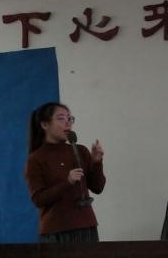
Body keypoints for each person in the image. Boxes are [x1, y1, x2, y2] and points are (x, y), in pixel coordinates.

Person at [24, 102, 106, 242]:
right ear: (45, 124)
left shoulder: (80, 151)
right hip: (56, 229)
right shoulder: (36, 158)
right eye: (61, 118)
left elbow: (98, 188)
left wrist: (97, 163)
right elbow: (38, 199)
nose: (68, 123)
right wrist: (68, 182)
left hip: (87, 225)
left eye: (70, 118)